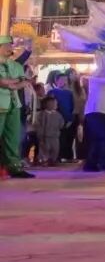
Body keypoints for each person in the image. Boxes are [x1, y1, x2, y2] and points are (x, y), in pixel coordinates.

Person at [0, 35, 33, 178]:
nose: (10, 48)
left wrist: (11, 83)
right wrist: (14, 82)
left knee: (13, 138)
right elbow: (3, 82)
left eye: (11, 45)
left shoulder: (16, 66)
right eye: (6, 45)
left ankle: (14, 168)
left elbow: (23, 82)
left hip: (14, 105)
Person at [48, 71, 76, 162]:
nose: (64, 82)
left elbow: (73, 107)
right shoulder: (52, 92)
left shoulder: (70, 93)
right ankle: (56, 157)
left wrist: (71, 119)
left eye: (66, 80)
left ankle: (68, 157)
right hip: (56, 121)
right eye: (62, 80)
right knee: (58, 140)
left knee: (69, 139)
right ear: (56, 81)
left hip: (68, 120)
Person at [35, 96, 64, 166]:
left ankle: (53, 160)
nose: (55, 105)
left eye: (56, 104)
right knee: (45, 149)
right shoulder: (42, 115)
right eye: (54, 103)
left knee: (55, 149)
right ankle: (44, 161)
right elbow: (40, 126)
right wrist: (40, 136)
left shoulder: (58, 115)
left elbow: (61, 123)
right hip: (45, 136)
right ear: (47, 104)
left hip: (55, 136)